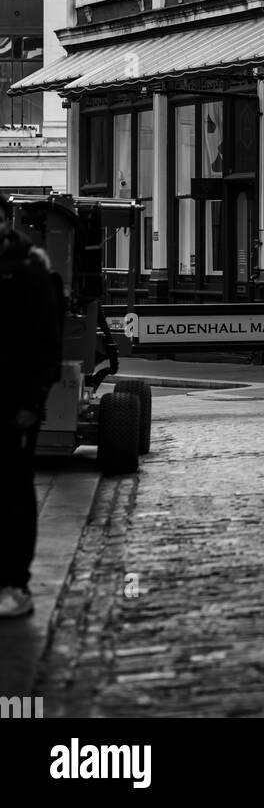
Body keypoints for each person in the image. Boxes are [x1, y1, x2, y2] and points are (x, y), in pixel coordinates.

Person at [0, 192, 64, 618]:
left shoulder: (28, 268)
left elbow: (46, 341)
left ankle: (13, 582)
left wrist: (31, 400)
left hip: (13, 401)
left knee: (13, 490)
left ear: (5, 221)